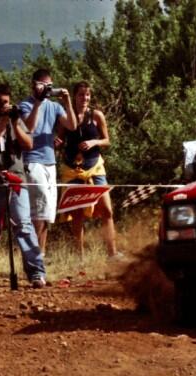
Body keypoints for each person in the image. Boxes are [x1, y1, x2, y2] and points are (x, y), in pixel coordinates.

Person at [0, 84, 46, 288]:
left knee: (23, 223)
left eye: (6, 102)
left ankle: (36, 272)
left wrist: (13, 122)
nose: (3, 105)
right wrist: (2, 124)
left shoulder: (16, 120)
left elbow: (28, 144)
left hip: (16, 181)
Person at [58, 81, 119, 258]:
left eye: (87, 95)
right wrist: (57, 142)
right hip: (72, 168)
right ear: (74, 96)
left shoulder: (96, 115)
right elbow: (60, 140)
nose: (85, 98)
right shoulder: (64, 116)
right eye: (81, 94)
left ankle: (112, 253)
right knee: (77, 213)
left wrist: (94, 142)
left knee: (107, 210)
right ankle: (80, 256)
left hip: (95, 166)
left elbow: (107, 140)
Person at [18, 68, 77, 254]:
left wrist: (67, 102)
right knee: (39, 206)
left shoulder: (54, 106)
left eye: (49, 85)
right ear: (33, 85)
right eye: (42, 84)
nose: (46, 89)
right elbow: (29, 128)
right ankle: (34, 254)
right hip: (32, 160)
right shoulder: (25, 105)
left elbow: (72, 125)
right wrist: (38, 102)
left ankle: (40, 253)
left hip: (49, 161)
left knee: (48, 210)